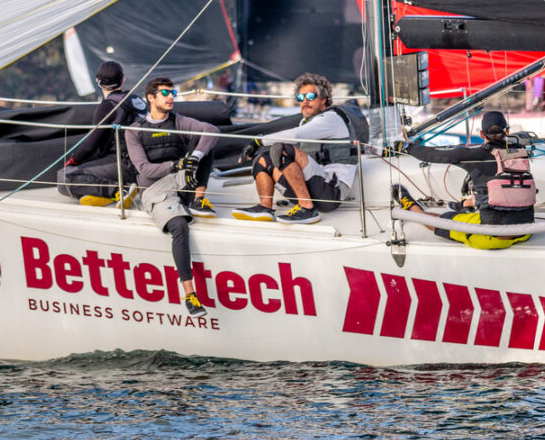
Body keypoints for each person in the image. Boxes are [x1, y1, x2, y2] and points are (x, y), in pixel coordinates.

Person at [124, 77, 220, 317]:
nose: (170, 97)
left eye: (172, 92)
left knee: (204, 144)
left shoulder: (178, 121)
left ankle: (199, 199)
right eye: (165, 93)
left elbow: (212, 130)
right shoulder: (134, 131)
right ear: (150, 97)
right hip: (156, 189)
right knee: (179, 226)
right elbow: (144, 169)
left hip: (181, 181)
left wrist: (195, 157)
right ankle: (190, 294)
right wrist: (178, 164)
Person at [392, 111, 532, 249]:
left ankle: (411, 207)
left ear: (482, 134)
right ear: (507, 131)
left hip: (492, 236)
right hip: (525, 231)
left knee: (442, 220)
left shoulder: (475, 155)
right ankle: (465, 204)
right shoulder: (520, 152)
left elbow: (431, 155)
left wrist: (405, 147)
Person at [232, 73, 359, 224]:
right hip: (313, 186)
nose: (305, 101)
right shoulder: (306, 122)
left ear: (324, 99)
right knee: (262, 160)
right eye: (301, 98)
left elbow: (295, 134)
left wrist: (257, 141)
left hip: (331, 192)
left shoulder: (331, 119)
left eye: (310, 96)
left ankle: (307, 209)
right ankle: (265, 207)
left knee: (280, 149)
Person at [57, 60, 147, 206]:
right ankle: (106, 191)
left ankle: (119, 191)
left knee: (64, 177)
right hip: (145, 162)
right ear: (123, 79)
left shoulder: (107, 107)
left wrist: (72, 161)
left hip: (127, 165)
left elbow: (89, 146)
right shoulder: (137, 100)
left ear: (98, 81)